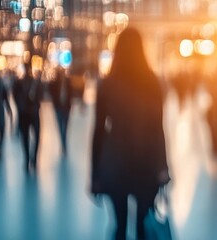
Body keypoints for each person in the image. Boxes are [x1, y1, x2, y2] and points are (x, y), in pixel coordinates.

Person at [91, 28, 170, 240]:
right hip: (146, 161)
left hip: (116, 162)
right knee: (144, 223)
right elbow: (157, 127)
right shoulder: (152, 83)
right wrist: (162, 167)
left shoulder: (108, 84)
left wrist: (95, 174)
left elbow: (98, 129)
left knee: (119, 223)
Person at [12, 65, 44, 171]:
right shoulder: (21, 83)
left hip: (29, 113)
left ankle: (30, 158)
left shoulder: (30, 83)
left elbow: (40, 95)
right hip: (28, 113)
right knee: (28, 136)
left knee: (28, 137)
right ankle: (30, 158)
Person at [48, 67, 73, 155]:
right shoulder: (55, 83)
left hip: (66, 108)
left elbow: (71, 93)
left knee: (65, 127)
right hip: (58, 107)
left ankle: (64, 144)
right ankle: (63, 144)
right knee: (60, 126)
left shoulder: (68, 82)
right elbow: (50, 91)